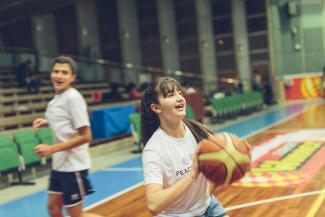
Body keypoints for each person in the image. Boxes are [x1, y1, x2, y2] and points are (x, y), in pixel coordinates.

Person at [141, 77, 228, 217]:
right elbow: (153, 205)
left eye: (180, 93)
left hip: (209, 206)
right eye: (171, 95)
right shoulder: (153, 150)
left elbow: (219, 169)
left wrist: (232, 158)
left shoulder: (199, 131)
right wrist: (193, 173)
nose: (180, 98)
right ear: (156, 107)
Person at [32, 56, 102, 217]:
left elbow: (86, 136)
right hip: (59, 165)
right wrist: (47, 121)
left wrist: (51, 149)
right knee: (54, 208)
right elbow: (65, 120)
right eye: (56, 71)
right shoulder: (56, 100)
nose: (59, 76)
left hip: (73, 166)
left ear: (72, 77)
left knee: (76, 215)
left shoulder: (73, 98)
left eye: (64, 72)